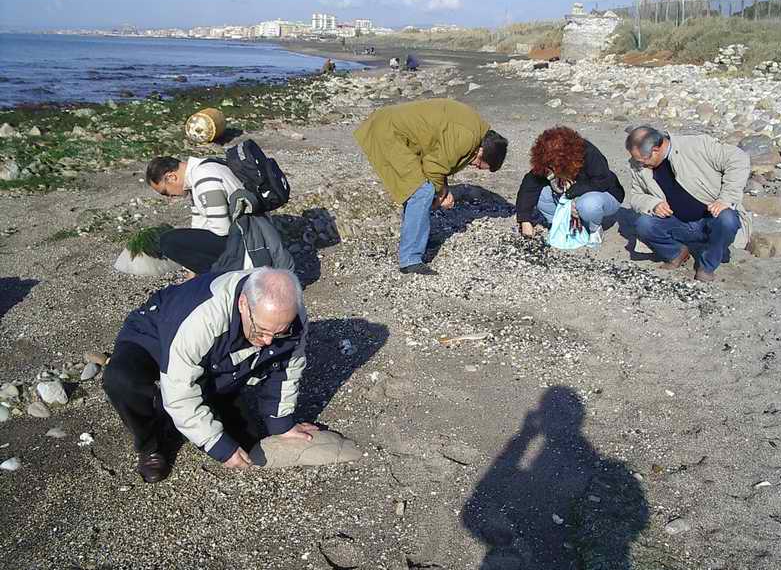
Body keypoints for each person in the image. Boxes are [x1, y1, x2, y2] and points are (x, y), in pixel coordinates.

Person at [103, 268, 317, 483]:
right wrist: (216, 445)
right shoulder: (203, 319)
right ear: (243, 304)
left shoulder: (292, 317)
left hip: (212, 357)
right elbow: (180, 393)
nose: (269, 341)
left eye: (279, 332)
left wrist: (282, 424)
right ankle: (152, 445)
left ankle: (190, 405)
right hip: (154, 333)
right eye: (261, 330)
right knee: (121, 381)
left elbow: (288, 368)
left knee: (248, 443)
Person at [354, 98, 508, 275]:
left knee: (420, 190)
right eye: (481, 165)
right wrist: (441, 195)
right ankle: (410, 260)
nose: (476, 167)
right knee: (422, 191)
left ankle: (416, 241)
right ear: (482, 151)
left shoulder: (475, 131)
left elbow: (440, 160)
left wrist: (443, 190)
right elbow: (433, 169)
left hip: (391, 128)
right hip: (389, 134)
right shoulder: (467, 137)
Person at [625, 126, 752, 282]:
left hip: (711, 219)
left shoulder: (696, 145)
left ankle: (707, 265)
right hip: (679, 223)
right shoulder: (638, 164)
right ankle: (677, 253)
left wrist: (726, 199)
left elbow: (739, 159)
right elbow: (636, 196)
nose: (640, 164)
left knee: (727, 219)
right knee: (644, 223)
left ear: (656, 149)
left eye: (643, 160)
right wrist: (653, 204)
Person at [146, 155, 293, 275]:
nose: (170, 197)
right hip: (251, 233)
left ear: (171, 177)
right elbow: (199, 224)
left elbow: (221, 230)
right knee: (185, 239)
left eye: (165, 192)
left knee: (168, 241)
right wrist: (191, 272)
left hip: (247, 243)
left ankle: (225, 277)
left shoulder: (204, 179)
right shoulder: (203, 168)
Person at [516, 126, 624, 241]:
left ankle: (594, 229)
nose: (552, 169)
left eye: (555, 166)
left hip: (605, 194)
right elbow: (529, 185)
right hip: (569, 193)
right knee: (541, 195)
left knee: (588, 204)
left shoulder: (589, 153)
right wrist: (525, 221)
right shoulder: (547, 160)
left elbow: (602, 181)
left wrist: (571, 195)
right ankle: (563, 225)